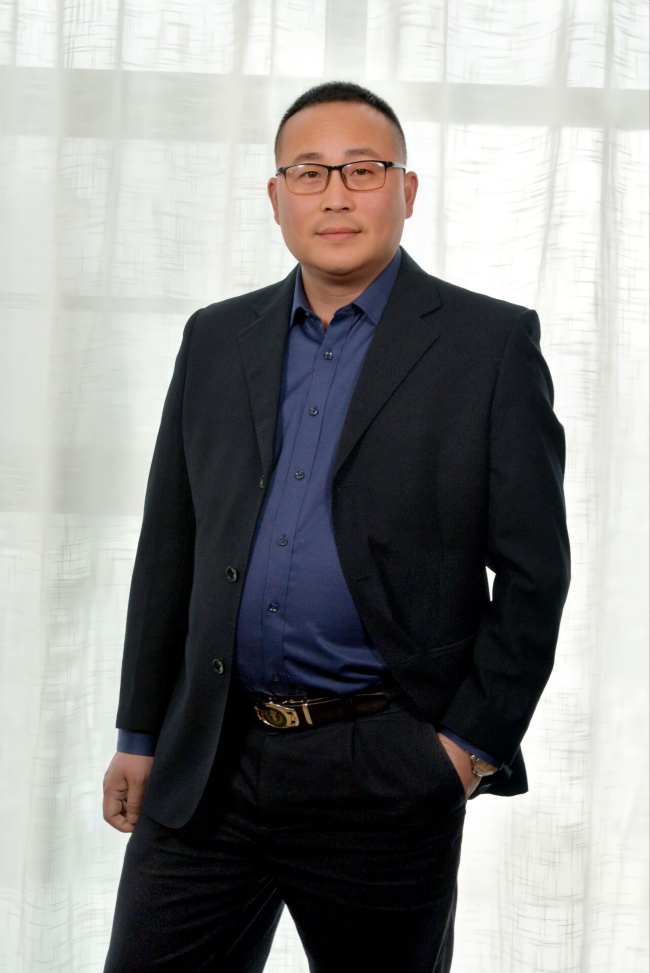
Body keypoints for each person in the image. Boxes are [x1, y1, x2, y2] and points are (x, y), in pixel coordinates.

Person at [102, 81, 570, 973]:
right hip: (210, 761)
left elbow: (535, 575)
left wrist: (463, 751)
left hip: (384, 768)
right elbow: (170, 548)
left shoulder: (488, 345)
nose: (335, 194)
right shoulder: (215, 339)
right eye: (309, 173)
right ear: (276, 197)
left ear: (407, 189)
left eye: (363, 169)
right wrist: (139, 733)